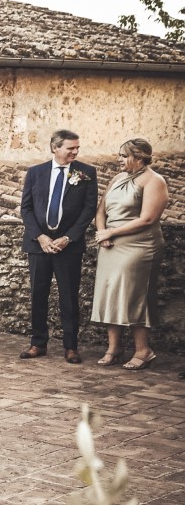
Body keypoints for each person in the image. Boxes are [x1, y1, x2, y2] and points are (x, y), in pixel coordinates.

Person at [20, 129, 97, 364]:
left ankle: (71, 347)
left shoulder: (87, 172)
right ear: (55, 147)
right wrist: (40, 237)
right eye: (70, 148)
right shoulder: (35, 173)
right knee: (38, 294)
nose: (75, 152)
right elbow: (27, 208)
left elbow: (88, 209)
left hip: (68, 247)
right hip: (38, 246)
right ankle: (38, 343)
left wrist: (68, 238)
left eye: (77, 148)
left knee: (69, 296)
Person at [91, 139, 168, 370]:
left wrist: (111, 232)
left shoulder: (155, 181)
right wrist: (102, 233)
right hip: (110, 244)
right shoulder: (117, 178)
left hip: (140, 245)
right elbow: (101, 210)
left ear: (140, 157)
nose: (119, 160)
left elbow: (147, 219)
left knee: (136, 296)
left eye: (124, 156)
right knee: (111, 293)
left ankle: (144, 351)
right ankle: (114, 348)